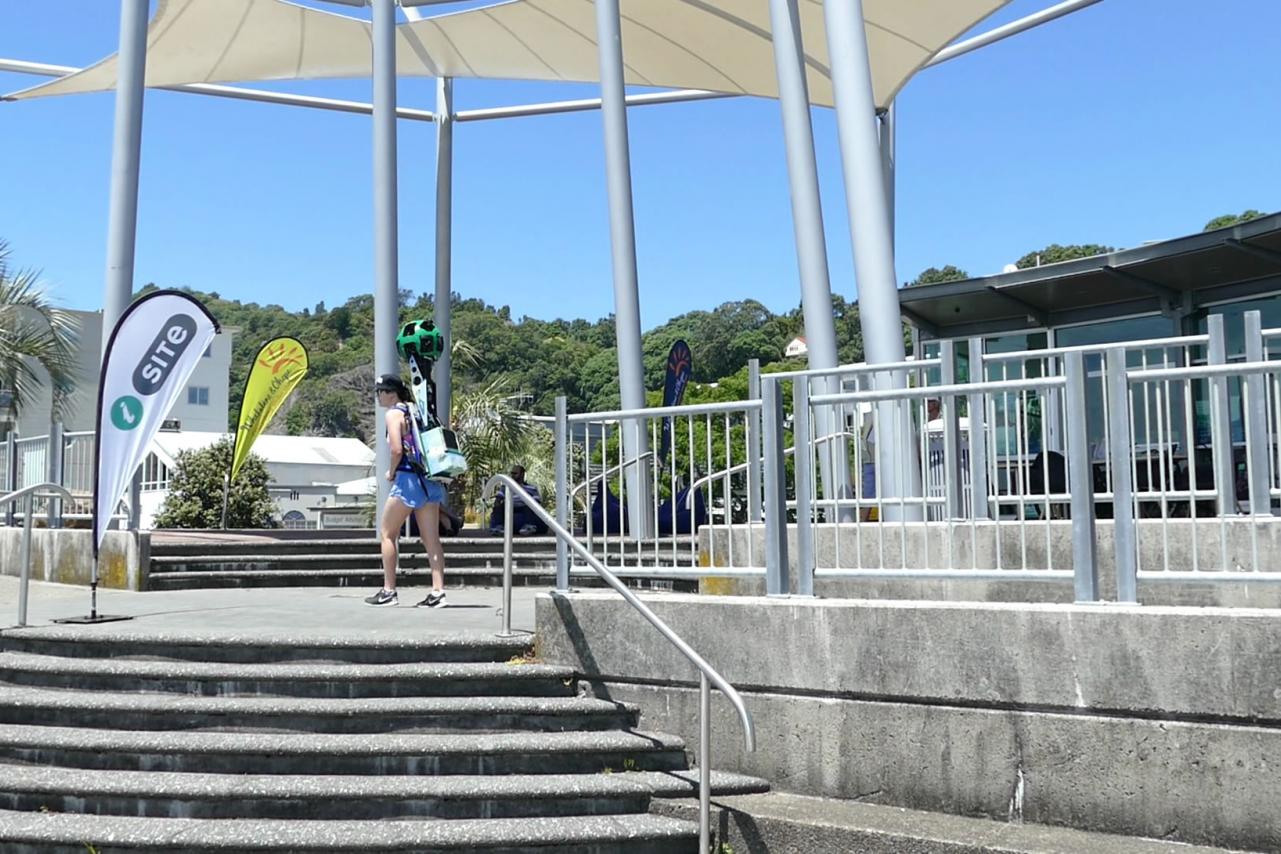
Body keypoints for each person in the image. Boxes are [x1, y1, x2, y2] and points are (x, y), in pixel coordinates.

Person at [364, 374, 447, 608]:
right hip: (429, 479)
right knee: (431, 539)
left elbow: (397, 450)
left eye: (380, 391)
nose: (379, 396)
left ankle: (389, 590)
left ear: (391, 393)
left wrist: (391, 473)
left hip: (408, 480)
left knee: (387, 533)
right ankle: (438, 591)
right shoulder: (417, 411)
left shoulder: (394, 414)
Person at [489, 464, 548, 536]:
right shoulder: (506, 487)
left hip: (525, 507)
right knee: (498, 507)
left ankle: (528, 526)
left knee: (530, 506)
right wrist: (498, 504)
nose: (512, 475)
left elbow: (537, 502)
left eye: (515, 473)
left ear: (522, 474)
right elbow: (498, 499)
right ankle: (499, 527)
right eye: (512, 473)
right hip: (510, 507)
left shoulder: (532, 488)